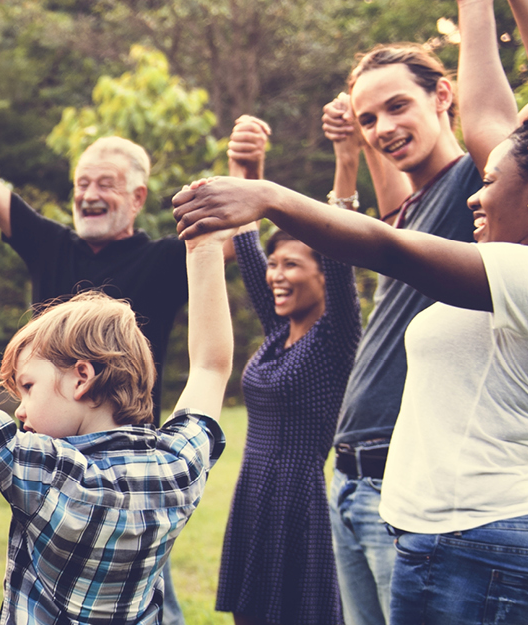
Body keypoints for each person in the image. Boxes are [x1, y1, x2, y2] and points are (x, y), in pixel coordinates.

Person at [174, 98, 528, 622]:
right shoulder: (509, 283)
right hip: (442, 538)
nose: (475, 196)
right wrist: (244, 180)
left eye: (489, 181)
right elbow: (485, 111)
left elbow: (387, 248)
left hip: (483, 543)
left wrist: (266, 194)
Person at [0, 171, 234, 623]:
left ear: (82, 379)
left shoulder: (48, 471)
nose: (20, 409)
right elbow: (211, 365)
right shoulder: (177, 466)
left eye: (28, 386)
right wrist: (204, 245)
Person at [0, 51, 203, 621]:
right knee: (45, 578)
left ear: (138, 197)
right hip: (50, 454)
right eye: (82, 182)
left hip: (127, 462)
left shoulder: (162, 259)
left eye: (105, 184)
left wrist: (247, 173)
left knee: (139, 585)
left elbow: (225, 243)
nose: (89, 193)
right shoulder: (52, 243)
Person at [313, 43, 480, 625]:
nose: (383, 128)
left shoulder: (472, 182)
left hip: (400, 480)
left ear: (443, 96)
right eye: (369, 118)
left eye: (398, 106)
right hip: (350, 478)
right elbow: (386, 216)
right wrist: (349, 147)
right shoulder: (413, 211)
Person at [214, 118, 361, 625]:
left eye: (292, 265)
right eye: (275, 265)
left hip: (298, 501)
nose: (276, 275)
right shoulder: (279, 334)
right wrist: (245, 172)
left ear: (323, 277)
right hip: (255, 492)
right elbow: (249, 249)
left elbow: (343, 252)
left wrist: (346, 161)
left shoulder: (335, 338)